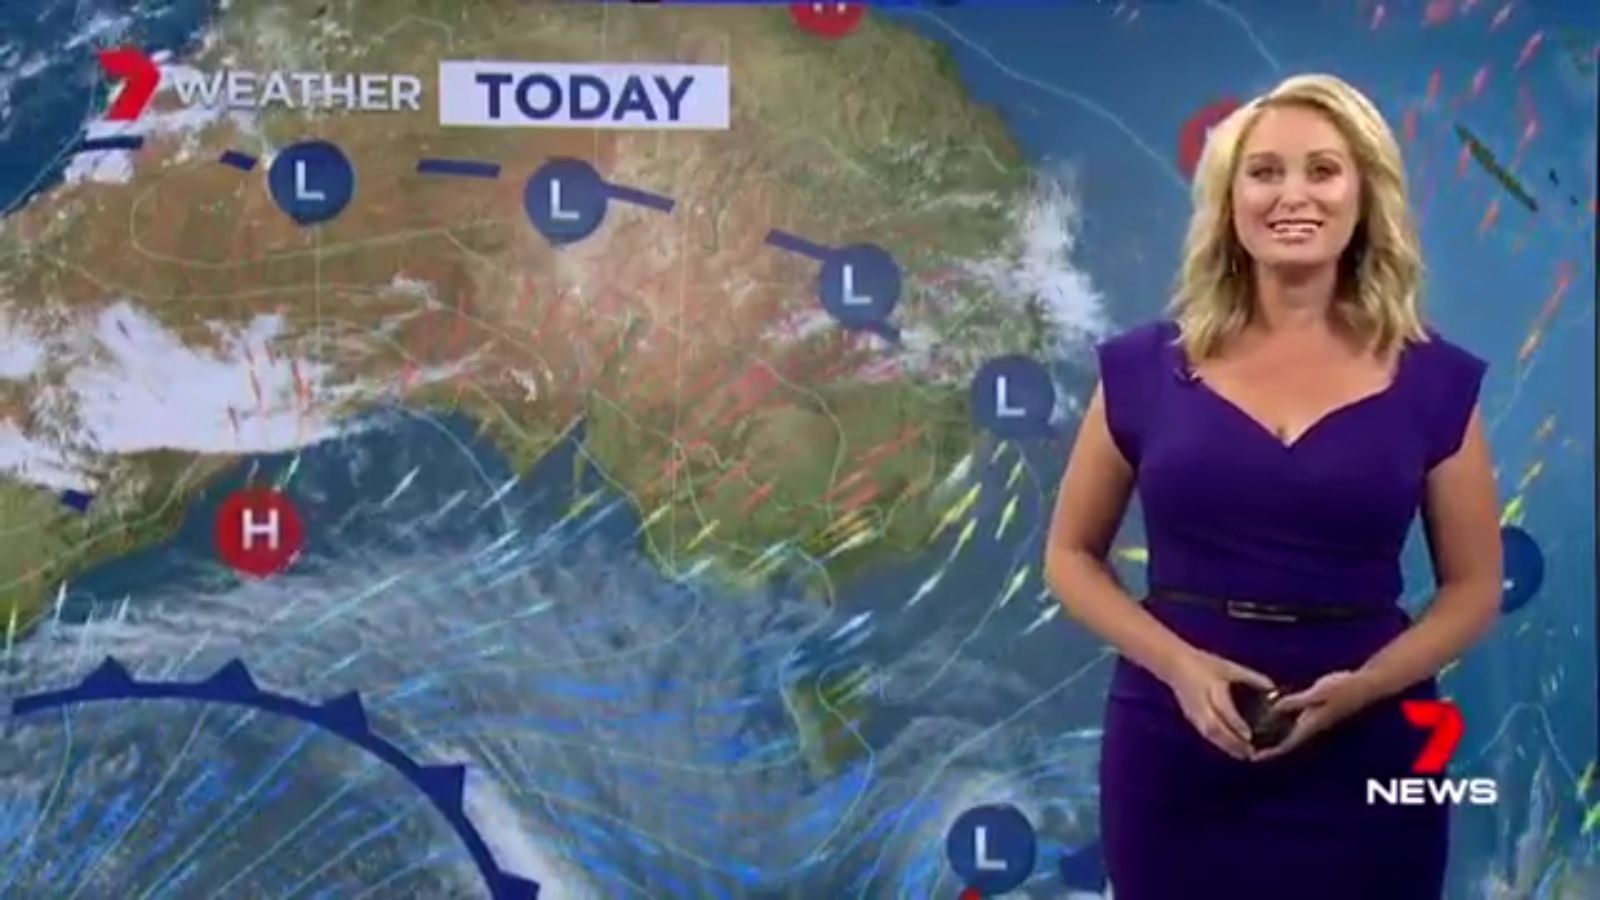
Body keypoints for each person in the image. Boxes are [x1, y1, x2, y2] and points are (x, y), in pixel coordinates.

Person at [1043, 73, 1503, 899]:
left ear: (1365, 195)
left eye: (1323, 170)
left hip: (1372, 751)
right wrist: (1180, 668)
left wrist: (1366, 688)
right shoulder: (1143, 370)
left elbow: (1472, 588)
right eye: (1264, 172)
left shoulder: (1436, 382)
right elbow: (1071, 556)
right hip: (1176, 752)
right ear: (1229, 201)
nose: (1293, 195)